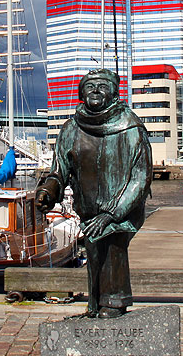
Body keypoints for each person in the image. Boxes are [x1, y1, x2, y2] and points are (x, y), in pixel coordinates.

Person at [36, 69, 152, 318]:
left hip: (121, 210)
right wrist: (48, 190)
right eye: (90, 87)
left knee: (113, 244)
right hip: (88, 210)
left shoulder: (131, 128)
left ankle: (115, 302)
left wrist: (111, 213)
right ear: (81, 94)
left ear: (114, 93)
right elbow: (59, 171)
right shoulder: (71, 129)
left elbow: (140, 178)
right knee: (95, 252)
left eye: (102, 86)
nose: (96, 91)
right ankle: (98, 303)